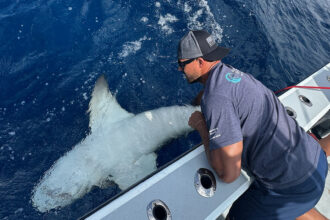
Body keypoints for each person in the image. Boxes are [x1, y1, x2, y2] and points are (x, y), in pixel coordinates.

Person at [177, 30, 330, 220]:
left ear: (200, 62)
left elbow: (229, 173)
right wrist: (193, 104)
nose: (179, 69)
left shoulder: (215, 98)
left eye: (182, 64)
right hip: (316, 159)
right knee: (296, 203)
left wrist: (201, 126)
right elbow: (216, 94)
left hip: (292, 185)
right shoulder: (233, 74)